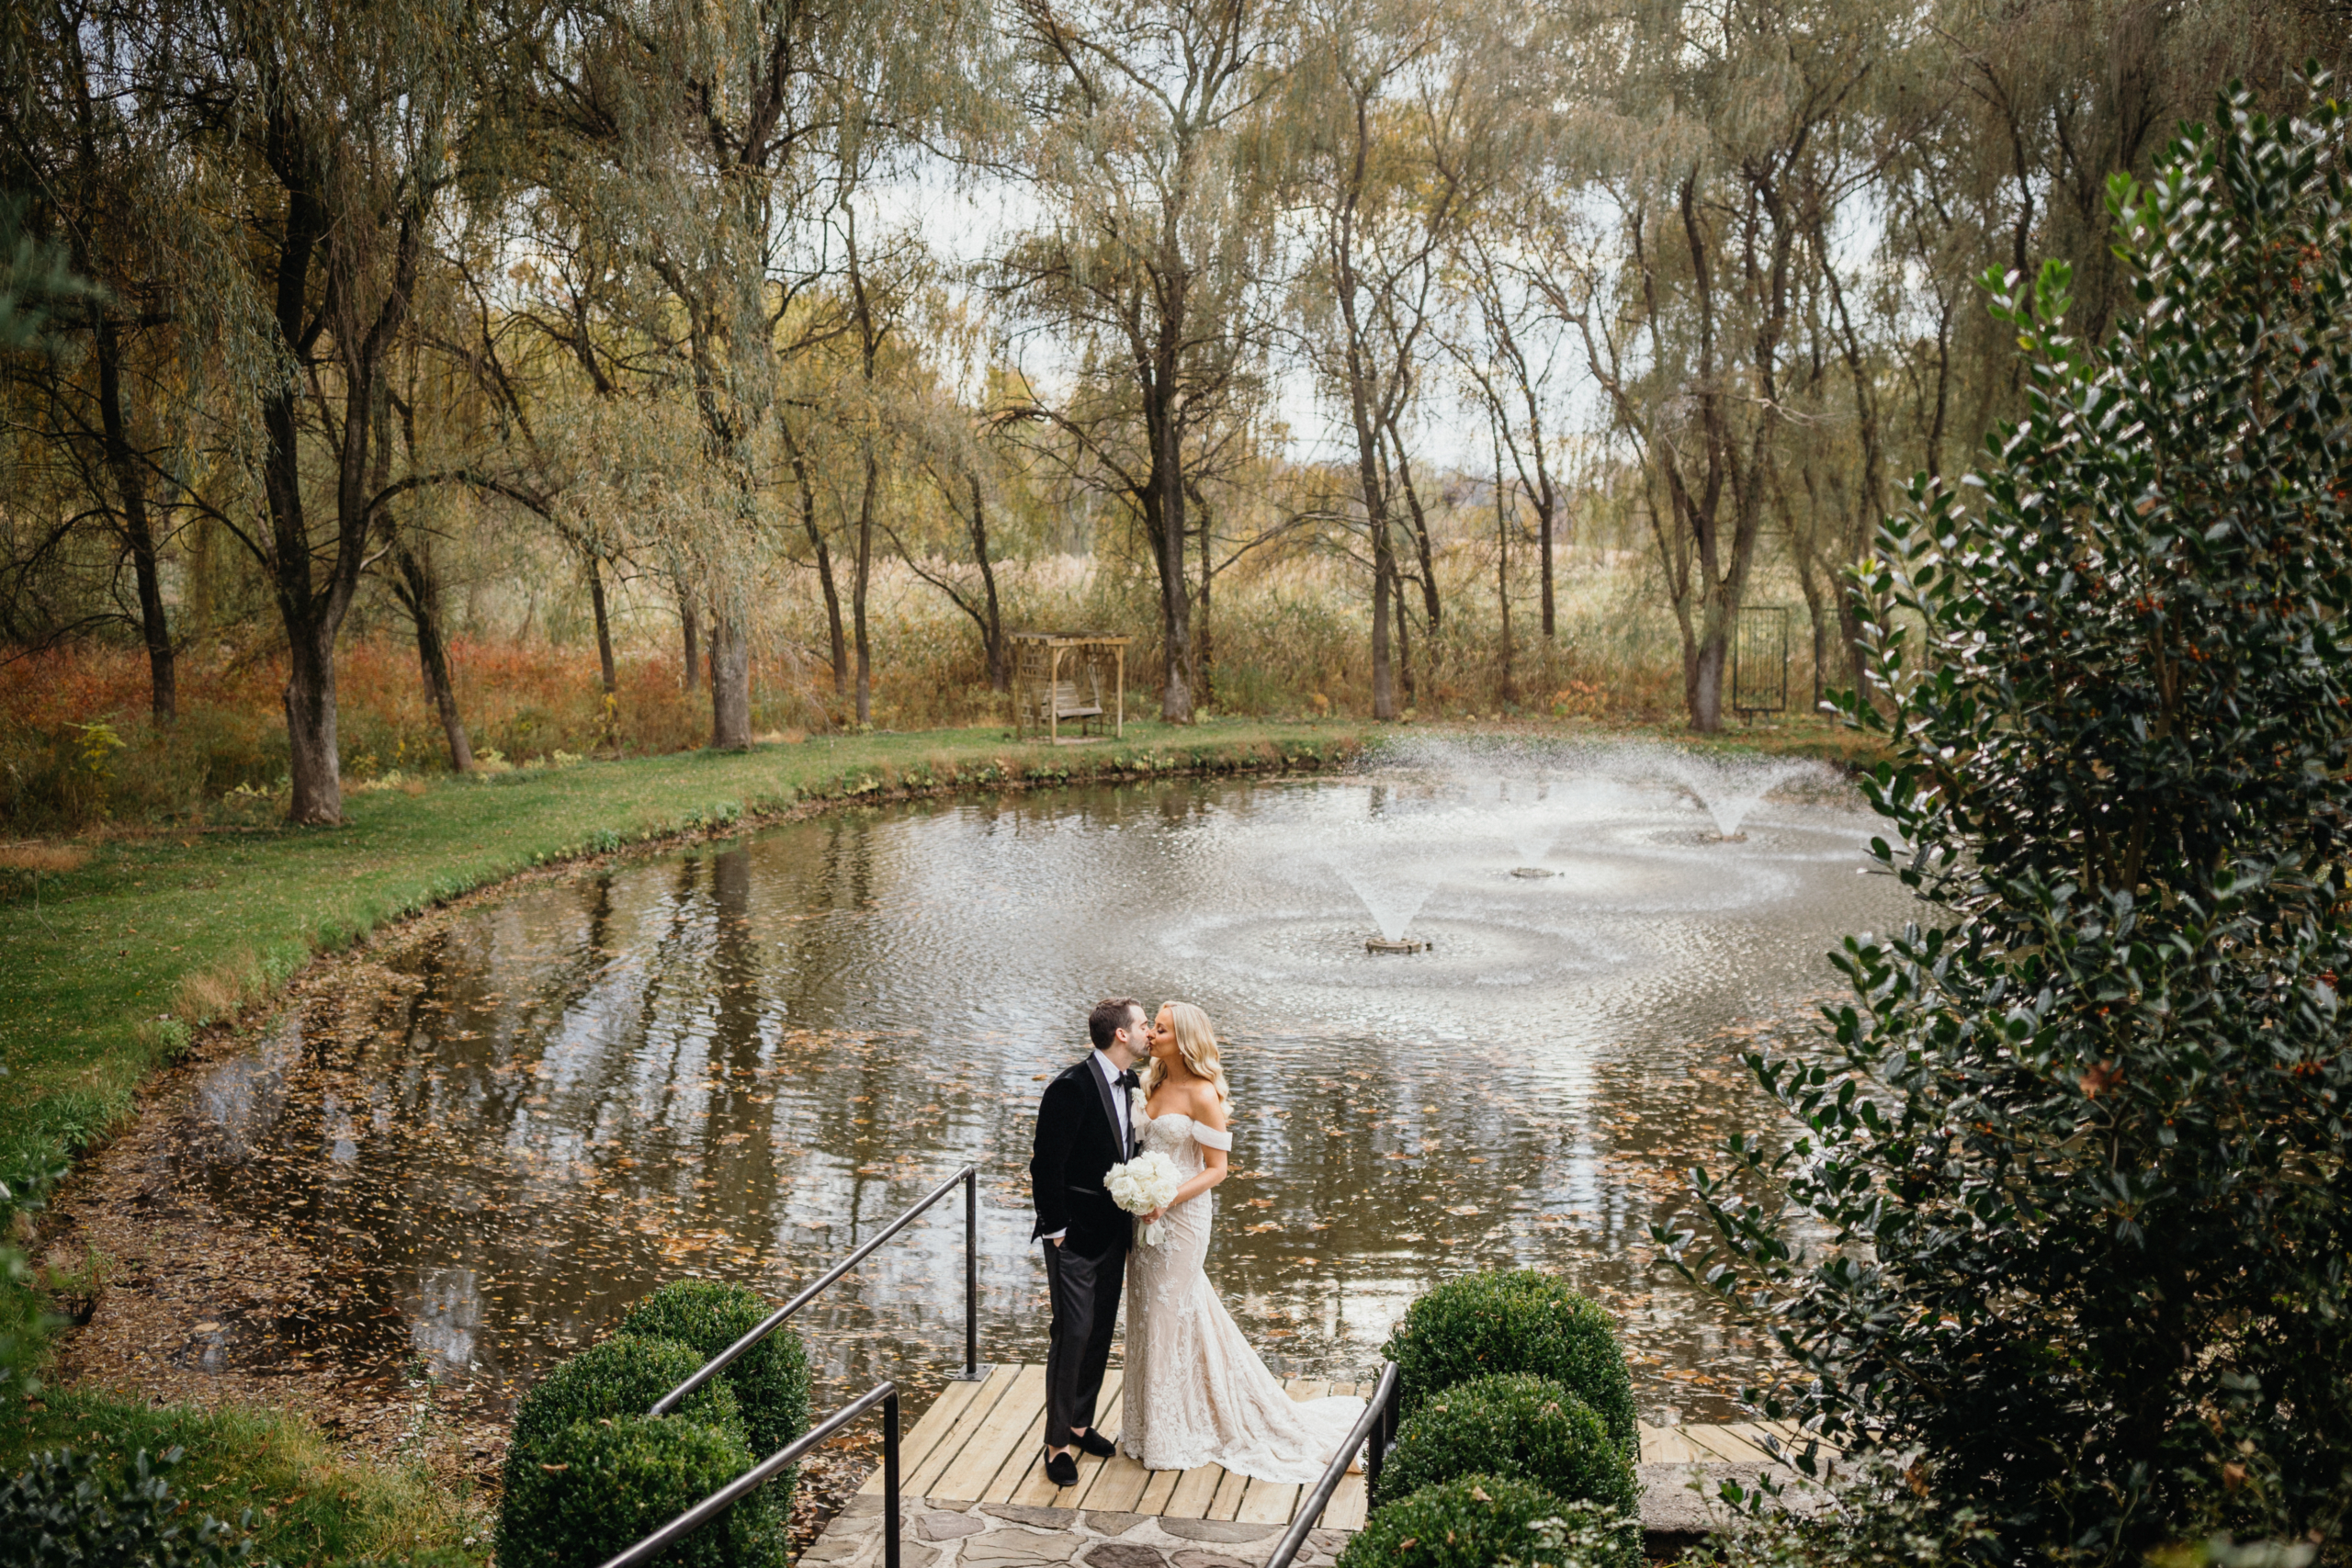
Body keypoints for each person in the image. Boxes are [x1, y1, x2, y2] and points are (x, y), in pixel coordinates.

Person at [1120, 1001, 1366, 1480]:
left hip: (1183, 1216)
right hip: (1145, 1219)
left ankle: (1170, 1436)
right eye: (1153, 1029)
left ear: (1184, 1039)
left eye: (1162, 1030)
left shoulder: (1204, 1093)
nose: (1151, 1035)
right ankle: (1146, 1426)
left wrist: (1166, 1197)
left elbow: (1218, 1169)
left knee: (1170, 1313)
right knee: (1150, 1315)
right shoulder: (1151, 1082)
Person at [1029, 997, 1149, 1488]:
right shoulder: (1070, 1088)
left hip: (1115, 1234)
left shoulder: (1134, 1084)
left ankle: (1080, 1424)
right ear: (1121, 1034)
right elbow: (1045, 1165)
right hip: (1073, 1237)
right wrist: (1057, 1231)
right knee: (1073, 1333)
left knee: (1100, 1332)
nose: (1148, 1033)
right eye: (1143, 1025)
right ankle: (1056, 1444)